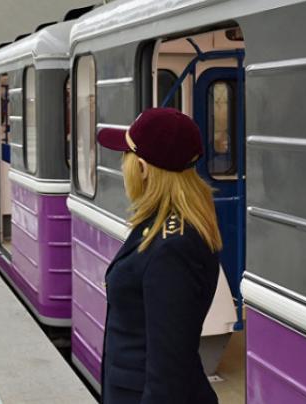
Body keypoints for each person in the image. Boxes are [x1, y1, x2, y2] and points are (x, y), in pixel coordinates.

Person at [97, 108, 222, 404]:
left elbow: (168, 373)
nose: (122, 166)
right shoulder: (166, 228)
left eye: (126, 157)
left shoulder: (172, 249)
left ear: (142, 168)